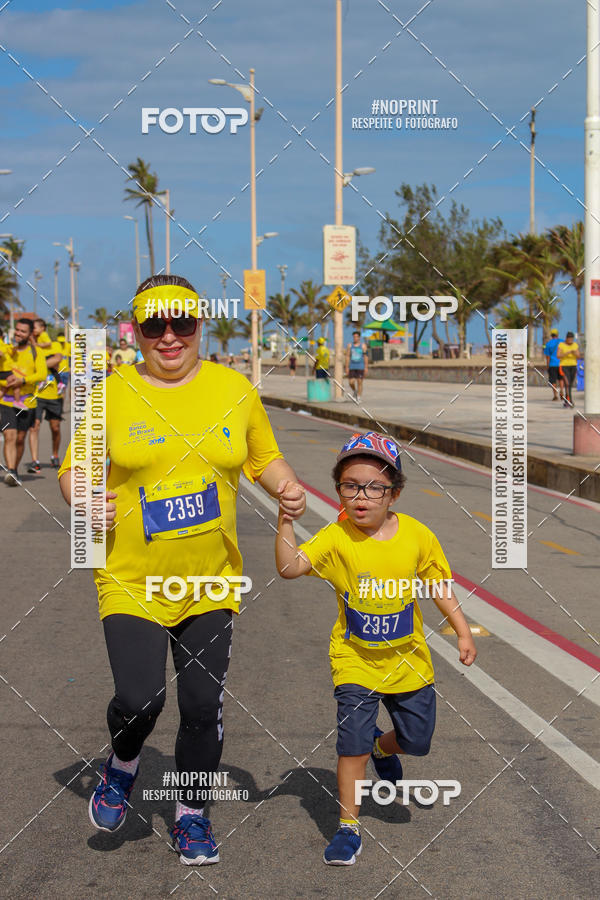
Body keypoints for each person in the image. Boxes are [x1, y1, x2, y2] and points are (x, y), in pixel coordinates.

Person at [58, 274, 306, 865]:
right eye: (154, 325)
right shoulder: (109, 393)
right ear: (137, 330)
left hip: (210, 579)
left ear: (200, 325)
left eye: (183, 323)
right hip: (131, 578)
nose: (169, 337)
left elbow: (263, 456)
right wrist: (84, 497)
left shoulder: (233, 388)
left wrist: (286, 486)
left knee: (200, 706)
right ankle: (123, 761)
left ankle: (191, 815)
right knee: (140, 700)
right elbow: (73, 470)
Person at [275, 431, 477, 866]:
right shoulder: (336, 537)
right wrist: (285, 521)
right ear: (338, 491)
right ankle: (348, 827)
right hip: (355, 662)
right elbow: (289, 567)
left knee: (417, 740)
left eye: (374, 488)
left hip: (408, 663)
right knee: (352, 747)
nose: (361, 497)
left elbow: (438, 586)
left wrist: (461, 630)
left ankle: (383, 747)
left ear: (394, 493)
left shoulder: (417, 536)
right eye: (350, 486)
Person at [0, 318, 48, 485]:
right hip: (6, 401)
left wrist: (22, 380)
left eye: (23, 331)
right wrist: (6, 383)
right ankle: (12, 471)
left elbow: (42, 374)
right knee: (9, 435)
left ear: (30, 334)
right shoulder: (7, 350)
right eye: (17, 330)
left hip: (27, 402)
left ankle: (14, 468)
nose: (18, 333)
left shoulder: (36, 352)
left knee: (20, 438)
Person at [27, 319, 65, 473]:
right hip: (36, 394)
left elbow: (58, 359)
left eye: (34, 327)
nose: (33, 330)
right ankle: (34, 461)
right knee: (34, 427)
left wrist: (38, 366)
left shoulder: (54, 345)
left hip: (54, 394)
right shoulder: (29, 347)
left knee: (55, 428)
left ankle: (55, 455)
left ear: (43, 328)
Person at [557, 331, 580, 408]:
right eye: (569, 339)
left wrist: (574, 352)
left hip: (573, 366)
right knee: (567, 383)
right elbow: (558, 355)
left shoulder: (575, 345)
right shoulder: (561, 345)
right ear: (566, 338)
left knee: (570, 384)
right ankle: (570, 401)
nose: (570, 340)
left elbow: (578, 356)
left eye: (572, 339)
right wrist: (567, 353)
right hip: (564, 366)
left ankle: (567, 400)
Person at [345, 331, 368, 401]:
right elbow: (347, 356)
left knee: (359, 382)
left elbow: (366, 356)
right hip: (352, 366)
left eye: (356, 337)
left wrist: (366, 367)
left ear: (359, 337)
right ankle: (355, 391)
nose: (355, 338)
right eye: (354, 337)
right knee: (351, 382)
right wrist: (347, 367)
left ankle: (359, 397)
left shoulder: (363, 346)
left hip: (360, 366)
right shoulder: (350, 345)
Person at [544, 328, 563, 402]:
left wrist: (547, 366)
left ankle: (555, 395)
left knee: (553, 381)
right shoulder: (562, 342)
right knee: (561, 379)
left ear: (551, 335)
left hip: (552, 364)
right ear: (557, 334)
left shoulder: (548, 344)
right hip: (561, 364)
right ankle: (562, 391)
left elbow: (547, 357)